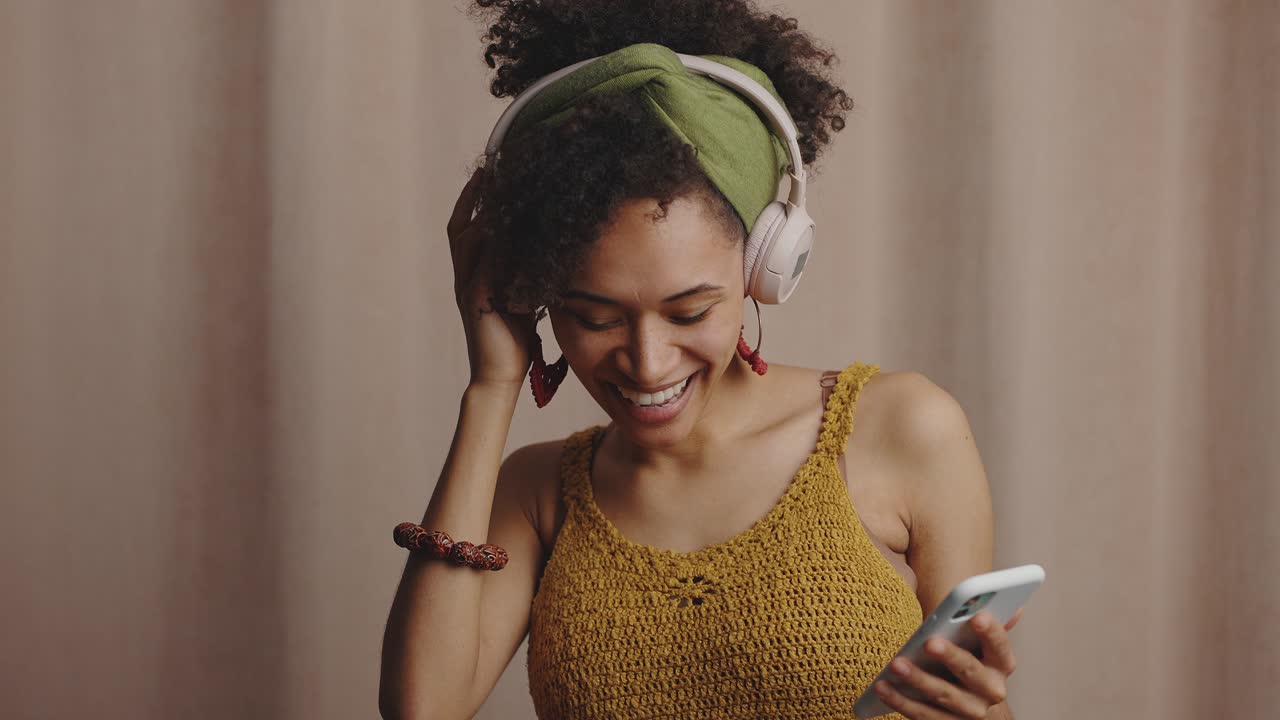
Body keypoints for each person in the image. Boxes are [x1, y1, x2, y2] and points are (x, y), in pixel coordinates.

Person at [380, 2, 1022, 719]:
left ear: (765, 266)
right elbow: (420, 711)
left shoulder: (904, 429)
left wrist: (983, 712)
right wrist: (492, 387)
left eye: (689, 312)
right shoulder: (539, 495)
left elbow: (970, 702)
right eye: (593, 317)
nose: (648, 364)